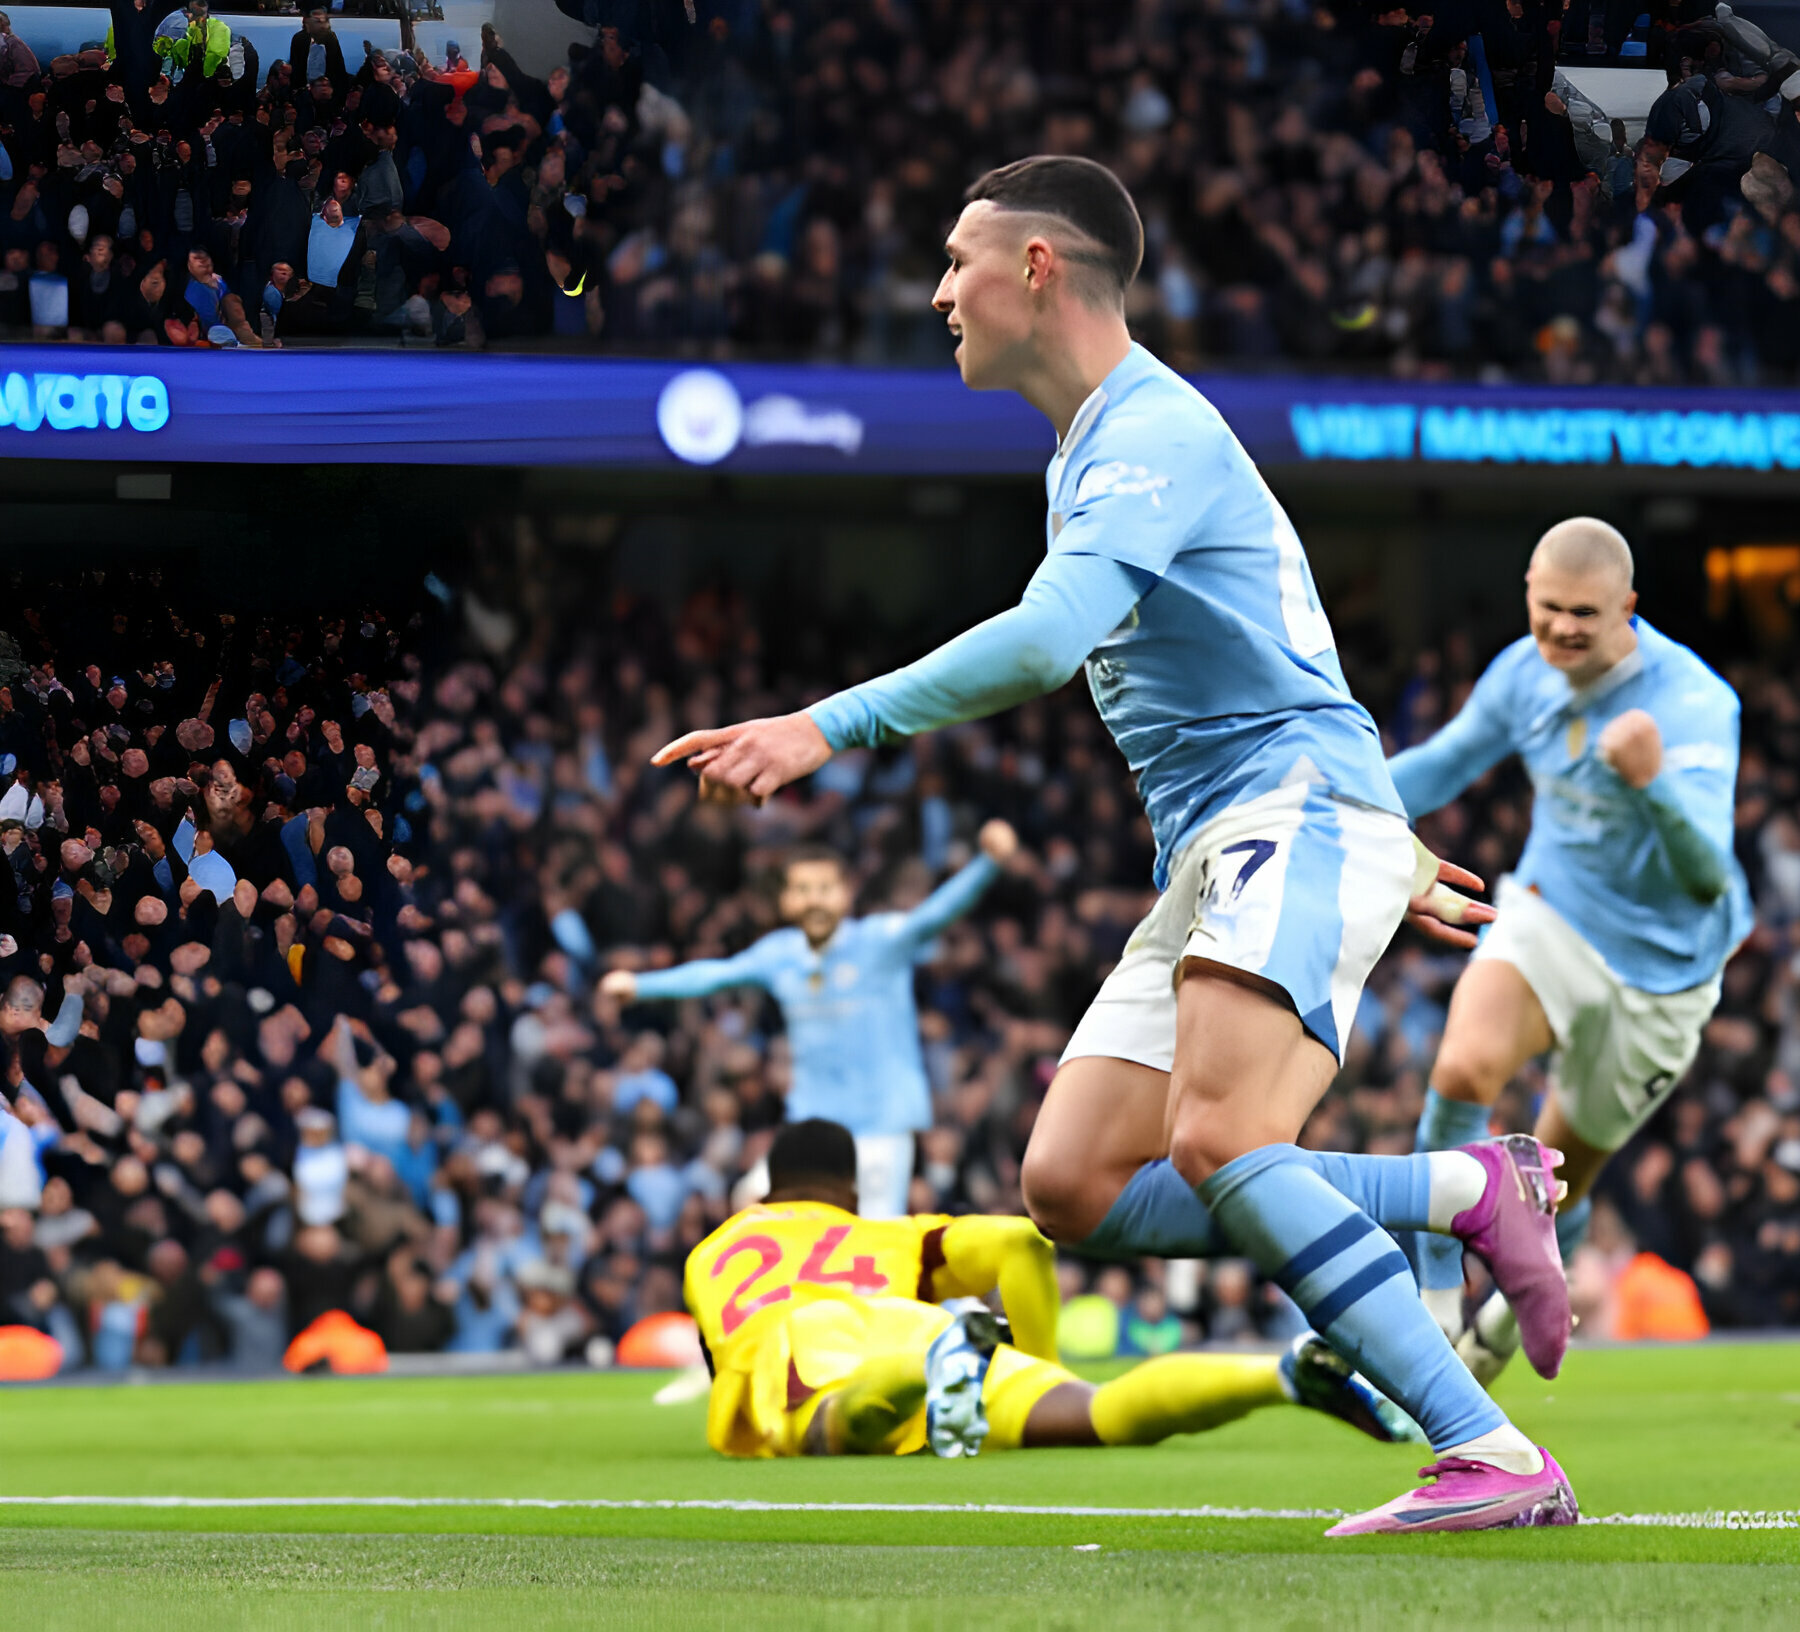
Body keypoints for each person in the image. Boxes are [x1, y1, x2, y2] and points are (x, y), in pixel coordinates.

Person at [652, 154, 1578, 1535]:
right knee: (1072, 1184)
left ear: (1039, 268)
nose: (936, 290)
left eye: (959, 259)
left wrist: (821, 729)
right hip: (1240, 835)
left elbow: (1044, 641)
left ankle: (1488, 1450)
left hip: (1287, 808)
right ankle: (1465, 1186)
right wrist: (1369, 852)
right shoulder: (1087, 450)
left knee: (1219, 1135)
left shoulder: (1154, 429)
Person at [1386, 517, 1749, 1381]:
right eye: (1547, 610)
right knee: (1464, 1070)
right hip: (1553, 915)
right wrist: (1324, 799)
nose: (1561, 631)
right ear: (1528, 595)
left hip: (1664, 974)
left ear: (1628, 606)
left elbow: (1705, 880)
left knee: (1551, 1187)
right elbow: (1442, 766)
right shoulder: (1523, 672)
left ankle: (1504, 1327)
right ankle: (1434, 1300)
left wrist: (1652, 784)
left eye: (1584, 614)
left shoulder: (1694, 705)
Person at [682, 1119, 1416, 1458]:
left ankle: (929, 1373)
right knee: (1098, 1414)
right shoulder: (889, 1235)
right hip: (918, 1321)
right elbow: (1018, 1239)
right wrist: (1041, 1363)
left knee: (826, 1428)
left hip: (809, 1341)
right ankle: (1279, 1376)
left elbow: (726, 1364)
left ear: (769, 1186)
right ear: (849, 1188)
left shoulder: (718, 1250)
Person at [599, 821, 1018, 1219]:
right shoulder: (780, 954)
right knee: (750, 1200)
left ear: (845, 893)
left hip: (880, 1125)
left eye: (824, 888)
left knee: (869, 1246)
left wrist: (987, 864)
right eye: (803, 889)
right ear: (786, 900)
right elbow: (715, 974)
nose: (815, 899)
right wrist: (641, 986)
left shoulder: (878, 942)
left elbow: (935, 915)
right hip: (812, 1125)